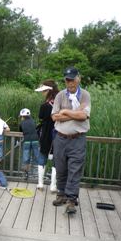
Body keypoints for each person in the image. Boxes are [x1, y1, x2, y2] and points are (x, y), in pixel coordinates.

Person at [51, 67, 91, 214]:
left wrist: (66, 112)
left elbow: (83, 116)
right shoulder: (60, 96)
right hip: (60, 138)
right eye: (67, 80)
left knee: (75, 170)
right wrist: (76, 112)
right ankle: (61, 194)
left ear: (78, 78)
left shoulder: (85, 95)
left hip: (77, 139)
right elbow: (55, 116)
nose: (70, 83)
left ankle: (71, 200)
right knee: (61, 168)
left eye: (73, 79)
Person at [34, 80, 59, 192]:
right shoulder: (60, 103)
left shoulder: (44, 106)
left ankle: (40, 184)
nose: (42, 93)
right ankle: (53, 186)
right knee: (56, 159)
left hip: (45, 135)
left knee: (42, 157)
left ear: (49, 90)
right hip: (58, 134)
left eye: (44, 90)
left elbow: (41, 117)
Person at [19, 108, 40, 179]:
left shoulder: (22, 122)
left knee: (26, 158)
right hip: (35, 140)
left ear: (23, 116)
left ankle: (26, 174)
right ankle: (38, 174)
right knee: (37, 156)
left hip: (27, 141)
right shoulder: (33, 121)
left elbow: (21, 130)